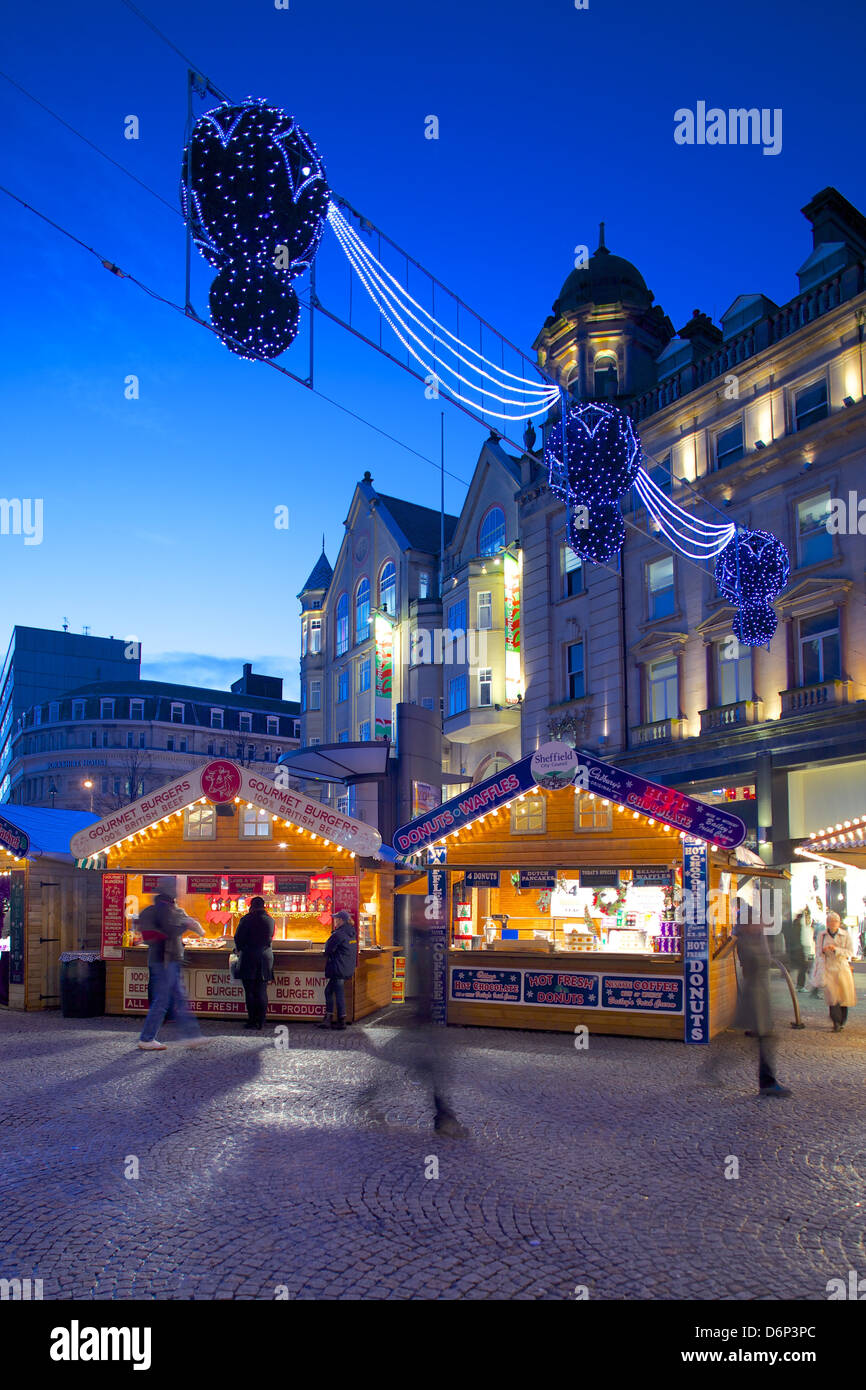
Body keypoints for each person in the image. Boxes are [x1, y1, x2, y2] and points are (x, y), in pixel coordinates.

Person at [137, 884, 207, 1052]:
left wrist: (187, 924)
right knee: (163, 1000)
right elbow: (182, 930)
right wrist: (188, 924)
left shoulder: (150, 911)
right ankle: (147, 1038)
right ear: (171, 896)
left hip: (161, 959)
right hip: (166, 960)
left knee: (179, 998)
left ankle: (192, 1036)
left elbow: (147, 935)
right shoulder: (169, 911)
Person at [734, 918, 791, 1098]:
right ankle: (767, 1083)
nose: (759, 925)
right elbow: (752, 965)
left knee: (764, 1039)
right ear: (746, 925)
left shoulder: (758, 937)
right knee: (765, 1039)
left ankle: (767, 1081)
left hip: (762, 995)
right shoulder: (743, 940)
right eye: (755, 923)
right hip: (754, 996)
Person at [234, 895, 275, 1031]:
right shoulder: (270, 920)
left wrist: (239, 949)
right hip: (265, 957)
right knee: (262, 990)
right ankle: (261, 1021)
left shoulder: (246, 919)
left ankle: (252, 1021)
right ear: (264, 906)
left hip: (249, 956)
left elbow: (238, 938)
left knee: (250, 991)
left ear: (251, 906)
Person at [817, 910, 857, 1032]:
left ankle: (842, 1019)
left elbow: (850, 952)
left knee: (843, 996)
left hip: (842, 968)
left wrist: (836, 950)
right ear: (827, 923)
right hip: (829, 968)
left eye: (835, 921)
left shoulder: (845, 935)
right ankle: (836, 1021)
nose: (833, 923)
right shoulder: (822, 935)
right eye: (830, 921)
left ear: (839, 923)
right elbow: (818, 951)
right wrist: (824, 951)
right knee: (832, 995)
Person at [318, 909, 357, 1031]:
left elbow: (328, 949)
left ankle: (340, 1020)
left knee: (336, 992)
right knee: (329, 991)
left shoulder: (338, 934)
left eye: (336, 919)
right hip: (346, 967)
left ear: (341, 920)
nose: (334, 921)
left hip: (338, 967)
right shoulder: (351, 932)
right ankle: (331, 1018)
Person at [783, 906, 812, 992]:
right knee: (803, 966)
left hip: (796, 948)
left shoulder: (792, 924)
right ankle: (801, 986)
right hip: (798, 948)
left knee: (803, 967)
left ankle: (801, 985)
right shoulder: (796, 924)